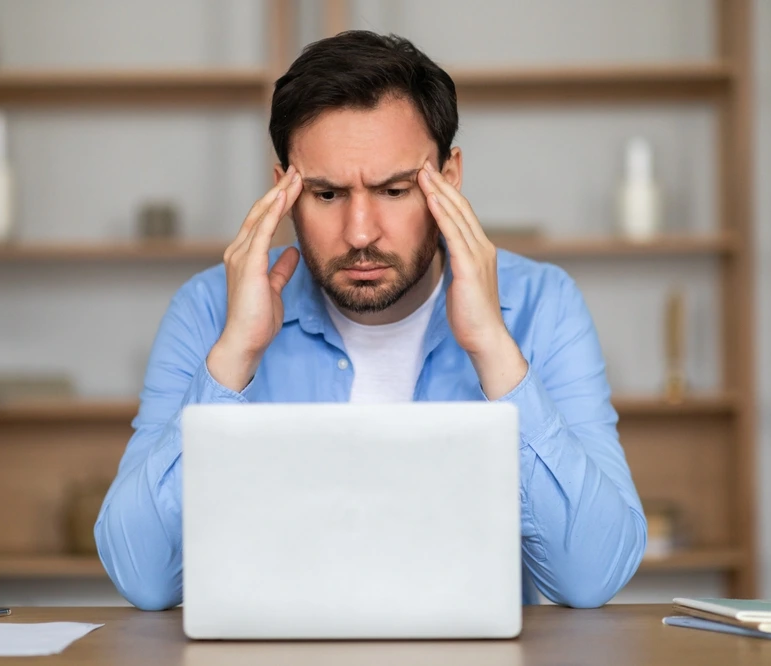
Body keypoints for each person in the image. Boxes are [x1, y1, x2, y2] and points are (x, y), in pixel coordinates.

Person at [95, 30, 646, 612]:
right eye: (327, 194)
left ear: (449, 179)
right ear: (282, 188)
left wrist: (493, 351)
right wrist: (234, 357)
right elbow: (142, 577)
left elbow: (590, 578)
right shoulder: (209, 310)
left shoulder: (543, 303)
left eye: (394, 190)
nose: (360, 233)